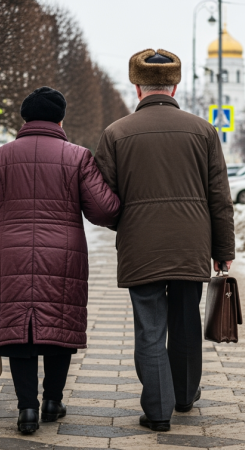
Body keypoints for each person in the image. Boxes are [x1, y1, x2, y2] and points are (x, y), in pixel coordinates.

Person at [93, 49, 235, 432]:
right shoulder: (203, 131)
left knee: (150, 328)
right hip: (192, 245)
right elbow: (219, 197)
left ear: (136, 87)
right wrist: (223, 251)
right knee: (186, 322)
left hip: (141, 247)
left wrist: (126, 223)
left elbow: (102, 200)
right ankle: (185, 395)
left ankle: (158, 411)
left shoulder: (116, 133)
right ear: (175, 85)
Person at [0, 87, 120, 435]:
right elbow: (103, 209)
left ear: (24, 119)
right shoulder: (78, 157)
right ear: (60, 119)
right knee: (57, 326)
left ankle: (26, 410)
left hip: (9, 257)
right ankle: (52, 401)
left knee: (19, 333)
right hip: (62, 257)